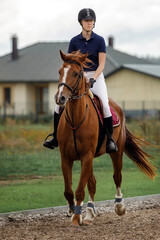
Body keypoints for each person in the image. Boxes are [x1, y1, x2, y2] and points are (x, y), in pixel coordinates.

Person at [43, 8, 117, 153]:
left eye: (91, 21)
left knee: (105, 105)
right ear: (81, 23)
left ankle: (110, 140)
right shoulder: (74, 41)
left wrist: (93, 79)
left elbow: (101, 64)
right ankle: (55, 138)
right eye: (86, 21)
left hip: (96, 76)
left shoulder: (100, 40)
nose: (89, 23)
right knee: (58, 106)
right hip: (78, 76)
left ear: (94, 23)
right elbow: (70, 63)